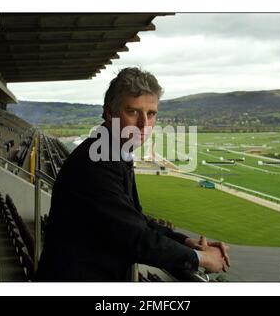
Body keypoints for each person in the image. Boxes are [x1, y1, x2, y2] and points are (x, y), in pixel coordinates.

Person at [35, 67, 230, 281]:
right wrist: (202, 258)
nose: (143, 125)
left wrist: (185, 242)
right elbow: (136, 238)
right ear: (110, 113)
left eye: (151, 114)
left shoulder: (111, 152)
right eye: (133, 112)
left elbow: (136, 219)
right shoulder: (95, 163)